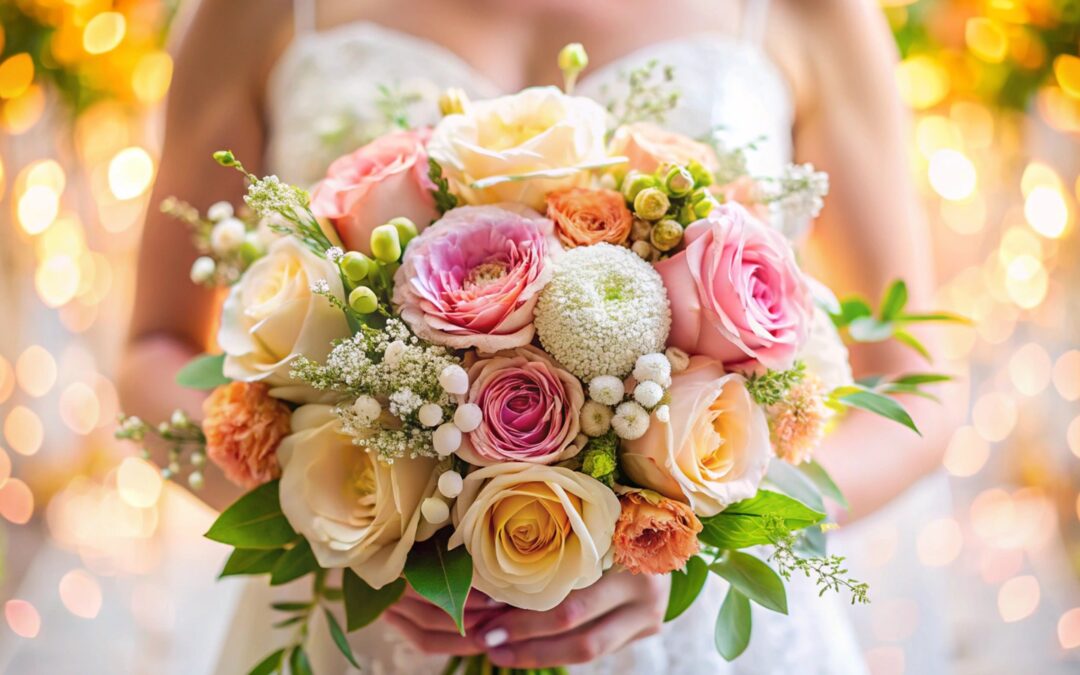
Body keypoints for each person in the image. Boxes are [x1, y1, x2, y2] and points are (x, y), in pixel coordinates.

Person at [119, 0, 958, 671]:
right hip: (365, 631)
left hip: (688, 636)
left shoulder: (812, 11)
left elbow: (920, 387)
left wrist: (703, 539)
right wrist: (335, 527)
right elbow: (153, 347)